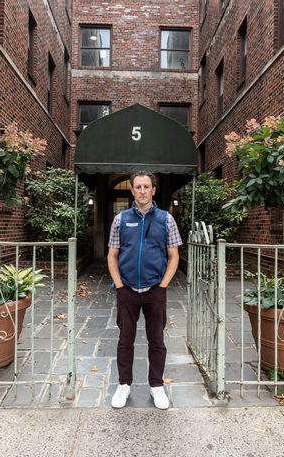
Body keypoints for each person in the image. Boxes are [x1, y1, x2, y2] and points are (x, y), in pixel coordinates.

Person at [107, 170, 182, 410]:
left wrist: (163, 286)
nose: (142, 191)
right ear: (132, 190)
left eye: (146, 187)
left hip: (155, 290)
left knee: (156, 340)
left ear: (153, 190)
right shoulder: (120, 220)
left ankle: (156, 385)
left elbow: (174, 256)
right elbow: (112, 255)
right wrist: (119, 285)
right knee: (125, 340)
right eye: (138, 187)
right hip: (127, 289)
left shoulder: (166, 219)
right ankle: (124, 385)